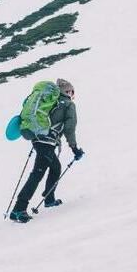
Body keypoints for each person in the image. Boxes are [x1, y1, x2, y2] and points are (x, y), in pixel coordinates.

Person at [10, 78, 83, 223]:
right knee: (37, 174)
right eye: (71, 91)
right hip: (46, 141)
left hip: (38, 138)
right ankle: (19, 208)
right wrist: (75, 148)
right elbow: (69, 128)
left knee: (54, 168)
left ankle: (48, 199)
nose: (72, 94)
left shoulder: (52, 102)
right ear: (67, 91)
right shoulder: (68, 104)